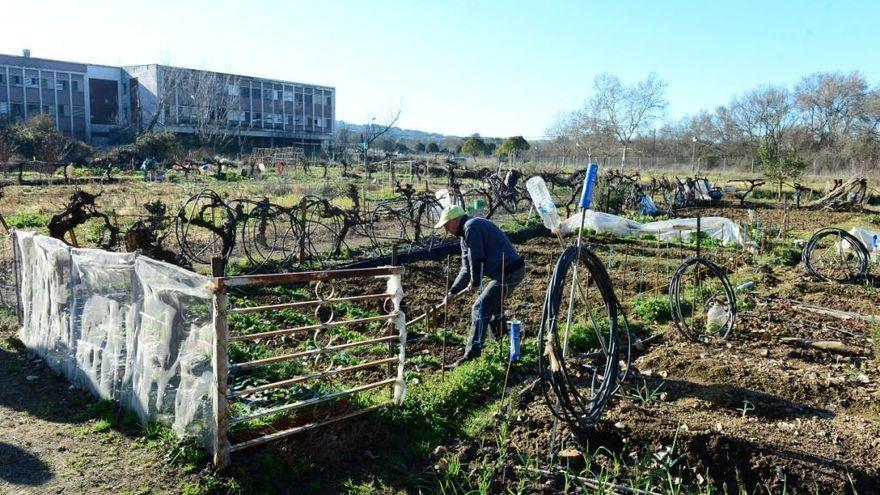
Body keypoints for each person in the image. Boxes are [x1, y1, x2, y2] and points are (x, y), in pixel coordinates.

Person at [435, 205, 526, 365]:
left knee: (480, 307)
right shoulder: (464, 236)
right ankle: (502, 345)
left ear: (455, 220)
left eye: (446, 225)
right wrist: (453, 292)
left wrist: (475, 281)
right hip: (502, 272)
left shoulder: (471, 227)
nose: (446, 230)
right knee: (492, 306)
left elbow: (477, 259)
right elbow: (466, 267)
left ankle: (471, 357)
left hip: (510, 271)